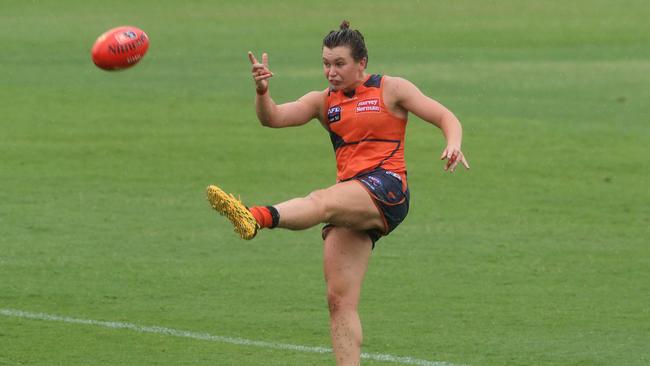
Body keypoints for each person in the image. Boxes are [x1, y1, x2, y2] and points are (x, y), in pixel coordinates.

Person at [207, 20, 469, 366]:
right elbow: (273, 118)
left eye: (339, 64)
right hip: (353, 195)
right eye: (326, 64)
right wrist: (261, 92)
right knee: (339, 301)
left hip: (387, 187)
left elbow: (444, 115)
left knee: (322, 201)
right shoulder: (322, 102)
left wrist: (453, 144)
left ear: (362, 62)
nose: (331, 72)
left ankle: (255, 217)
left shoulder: (391, 89)